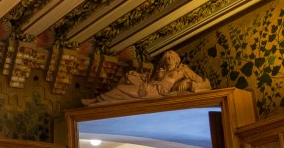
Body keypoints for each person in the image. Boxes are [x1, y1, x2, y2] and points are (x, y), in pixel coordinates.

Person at [83, 50, 211, 105]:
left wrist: (188, 82)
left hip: (156, 92)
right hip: (150, 88)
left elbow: (205, 84)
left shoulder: (183, 70)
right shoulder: (162, 71)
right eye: (166, 56)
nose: (169, 58)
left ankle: (96, 101)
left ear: (177, 59)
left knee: (121, 90)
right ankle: (98, 101)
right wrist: (158, 78)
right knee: (126, 80)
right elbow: (151, 81)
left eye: (171, 55)